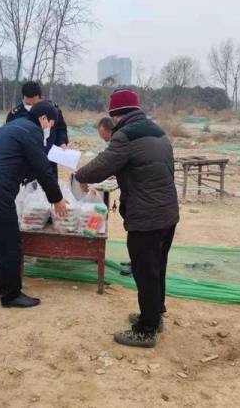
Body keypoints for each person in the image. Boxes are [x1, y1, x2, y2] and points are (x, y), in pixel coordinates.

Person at [75, 89, 179, 348]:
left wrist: (79, 175)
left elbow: (101, 166)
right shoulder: (158, 132)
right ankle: (155, 314)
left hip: (147, 218)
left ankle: (146, 330)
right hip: (167, 213)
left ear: (116, 116)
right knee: (157, 268)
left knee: (144, 272)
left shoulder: (125, 136)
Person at [0, 101, 68, 308]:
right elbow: (43, 169)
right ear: (43, 119)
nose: (49, 129)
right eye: (51, 124)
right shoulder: (31, 132)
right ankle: (11, 295)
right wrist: (57, 199)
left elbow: (20, 164)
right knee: (11, 244)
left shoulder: (12, 127)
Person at [6, 81, 68, 178]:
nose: (31, 106)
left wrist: (62, 142)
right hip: (26, 163)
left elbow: (61, 128)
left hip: (49, 160)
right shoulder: (15, 115)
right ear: (22, 98)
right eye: (27, 103)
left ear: (40, 98)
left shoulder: (52, 109)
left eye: (34, 103)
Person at [97, 116, 132, 277]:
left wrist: (84, 176)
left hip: (139, 195)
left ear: (106, 129)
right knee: (132, 230)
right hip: (132, 192)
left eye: (100, 132)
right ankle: (135, 260)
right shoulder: (120, 140)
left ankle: (137, 266)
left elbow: (106, 163)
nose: (100, 136)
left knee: (139, 232)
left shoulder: (119, 142)